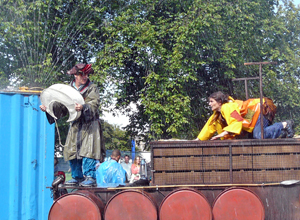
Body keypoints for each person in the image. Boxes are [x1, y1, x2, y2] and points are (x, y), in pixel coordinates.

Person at [40, 63, 106, 186]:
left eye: (86, 74)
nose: (85, 77)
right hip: (75, 124)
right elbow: (62, 107)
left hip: (89, 125)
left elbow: (94, 103)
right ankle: (77, 176)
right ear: (76, 75)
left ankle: (90, 176)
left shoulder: (92, 88)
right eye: (82, 75)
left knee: (88, 150)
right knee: (71, 150)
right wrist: (49, 109)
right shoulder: (68, 90)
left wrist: (84, 107)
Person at [196, 91, 295, 140]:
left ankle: (284, 124)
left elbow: (237, 121)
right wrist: (198, 140)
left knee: (259, 136)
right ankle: (282, 131)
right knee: (254, 137)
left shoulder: (228, 107)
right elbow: (210, 126)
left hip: (262, 108)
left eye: (211, 101)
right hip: (254, 114)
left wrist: (223, 133)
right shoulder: (217, 114)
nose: (209, 104)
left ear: (219, 102)